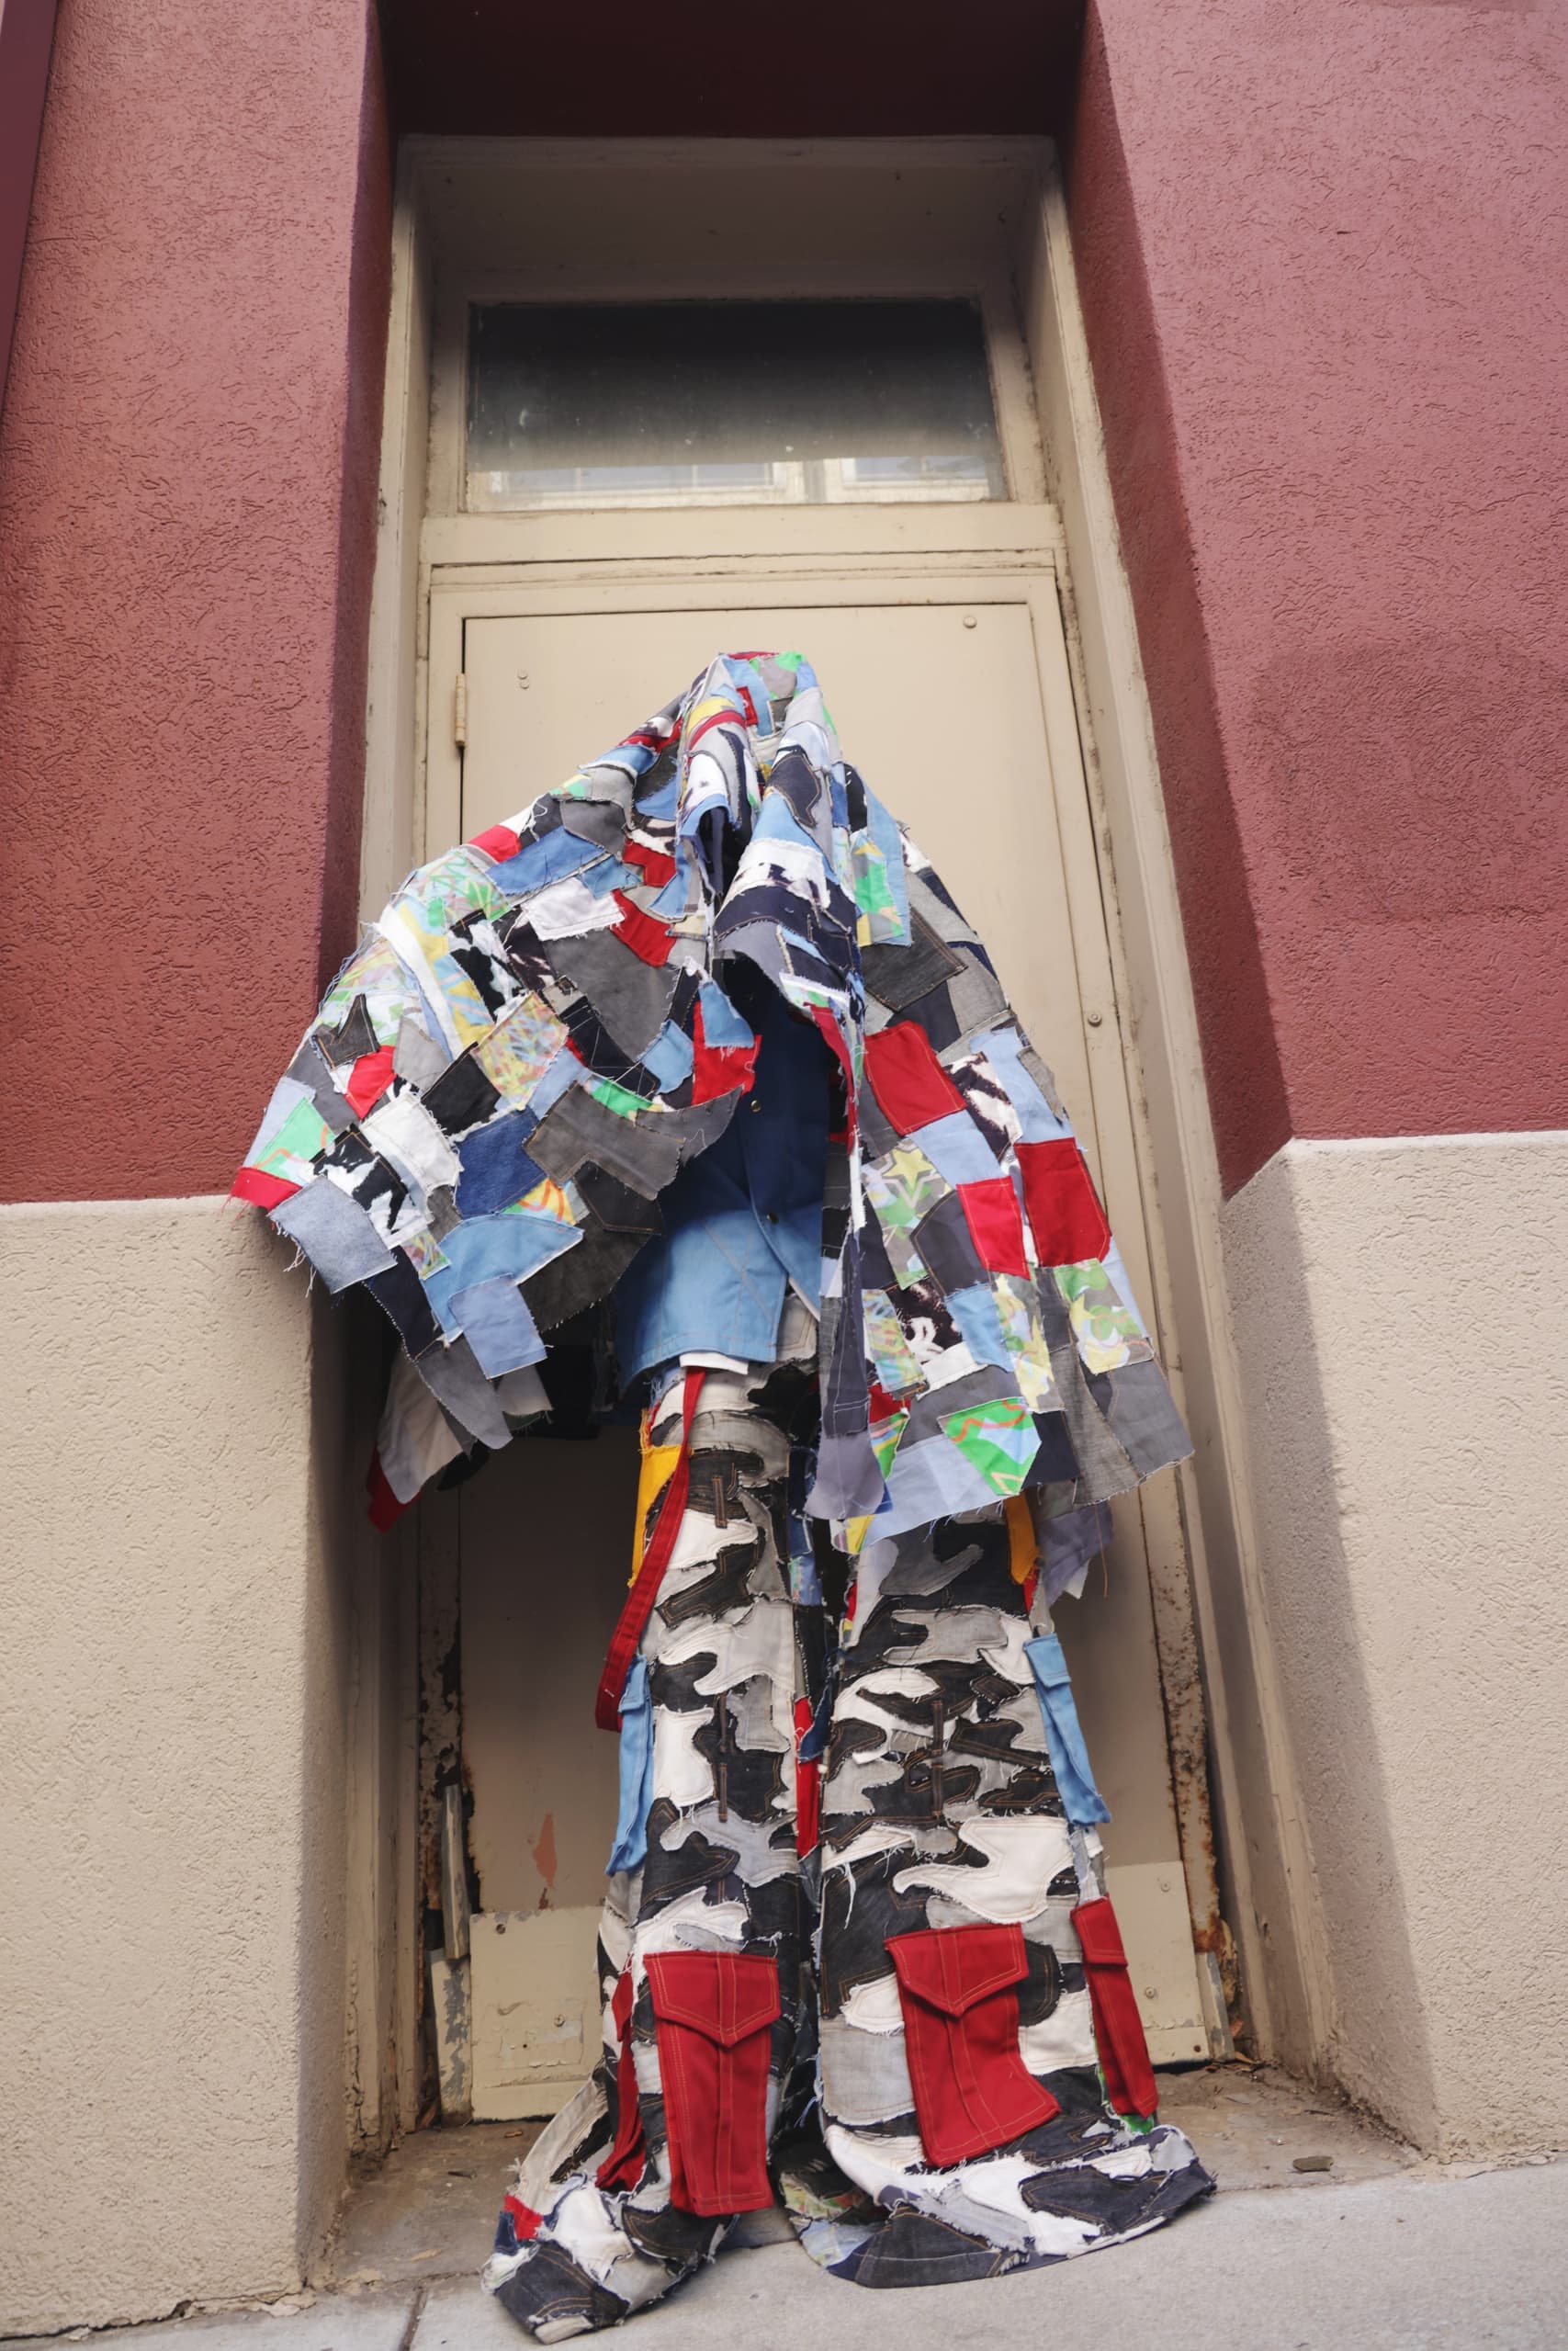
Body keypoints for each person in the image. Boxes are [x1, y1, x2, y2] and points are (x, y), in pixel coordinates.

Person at [235, 651, 1213, 2337]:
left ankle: (937, 2094)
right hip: (749, 1356)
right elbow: (513, 1025)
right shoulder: (616, 889)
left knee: (921, 1716)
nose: (737, 770)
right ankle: (725, 2123)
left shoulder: (866, 900)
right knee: (721, 1723)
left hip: (879, 1353)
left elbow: (972, 1111)